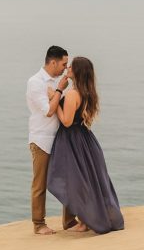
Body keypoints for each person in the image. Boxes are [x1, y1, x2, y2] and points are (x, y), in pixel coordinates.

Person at [47, 57, 124, 234]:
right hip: (85, 139)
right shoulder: (87, 92)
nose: (68, 67)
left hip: (72, 140)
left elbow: (66, 121)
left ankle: (85, 221)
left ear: (77, 71)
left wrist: (55, 97)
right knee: (88, 180)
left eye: (71, 66)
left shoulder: (73, 94)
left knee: (77, 181)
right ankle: (86, 220)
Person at [25, 46, 76, 235]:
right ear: (52, 62)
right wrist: (59, 91)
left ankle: (69, 221)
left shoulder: (59, 81)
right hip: (41, 139)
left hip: (61, 139)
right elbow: (48, 111)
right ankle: (38, 224)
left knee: (69, 179)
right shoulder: (35, 82)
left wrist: (59, 89)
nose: (65, 68)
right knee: (40, 183)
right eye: (63, 64)